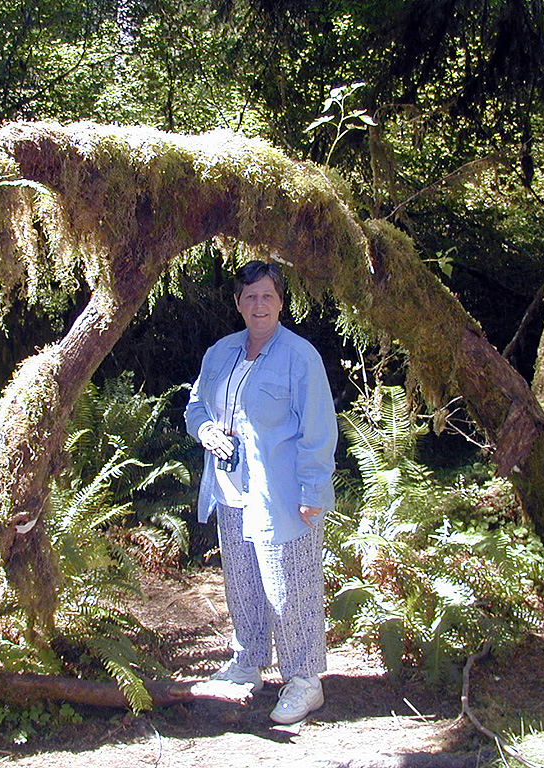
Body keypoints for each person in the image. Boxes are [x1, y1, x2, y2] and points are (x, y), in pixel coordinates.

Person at [185, 259, 338, 724]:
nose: (258, 305)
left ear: (281, 302)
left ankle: (305, 680)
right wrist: (206, 429)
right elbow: (195, 405)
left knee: (289, 588)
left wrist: (313, 491)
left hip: (283, 495)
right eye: (249, 296)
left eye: (267, 295)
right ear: (237, 303)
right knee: (243, 584)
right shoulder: (220, 353)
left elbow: (319, 430)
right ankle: (247, 663)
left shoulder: (300, 357)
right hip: (230, 490)